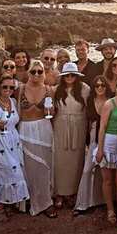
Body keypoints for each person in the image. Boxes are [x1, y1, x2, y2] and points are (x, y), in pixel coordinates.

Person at [0, 75, 29, 222]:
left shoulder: (14, 102)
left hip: (13, 141)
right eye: (4, 87)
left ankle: (10, 200)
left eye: (11, 87)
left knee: (15, 171)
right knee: (0, 172)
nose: (8, 90)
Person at [17, 60, 57, 217]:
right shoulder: (20, 89)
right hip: (25, 128)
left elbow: (53, 113)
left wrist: (51, 110)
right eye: (33, 71)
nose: (36, 75)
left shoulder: (48, 89)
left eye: (40, 72)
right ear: (28, 73)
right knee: (27, 166)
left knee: (44, 166)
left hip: (43, 128)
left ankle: (46, 201)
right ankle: (28, 198)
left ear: (44, 73)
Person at [51, 63, 89, 210]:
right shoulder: (55, 90)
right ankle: (59, 193)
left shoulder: (84, 89)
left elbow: (90, 108)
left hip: (79, 125)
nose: (70, 77)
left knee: (76, 159)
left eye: (73, 75)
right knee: (59, 159)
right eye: (67, 75)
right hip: (60, 125)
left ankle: (73, 193)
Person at [96, 77, 117, 224]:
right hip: (109, 142)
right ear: (116, 89)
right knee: (107, 180)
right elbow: (102, 128)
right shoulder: (109, 104)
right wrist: (100, 149)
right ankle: (110, 210)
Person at [73, 76, 110, 215]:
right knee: (87, 170)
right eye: (97, 86)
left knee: (107, 172)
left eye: (103, 85)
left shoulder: (111, 100)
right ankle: (82, 204)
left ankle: (104, 201)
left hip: (110, 137)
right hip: (95, 137)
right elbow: (87, 122)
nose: (100, 88)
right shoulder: (90, 101)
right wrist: (88, 140)